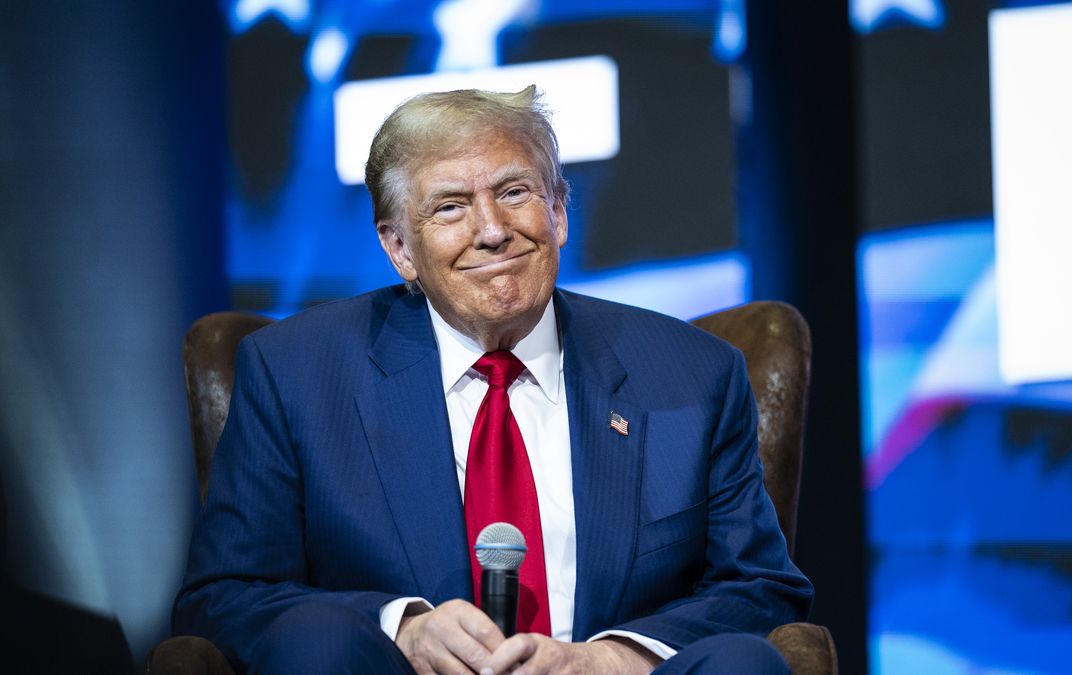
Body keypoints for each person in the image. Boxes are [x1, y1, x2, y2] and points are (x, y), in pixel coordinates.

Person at [173, 86, 812, 674]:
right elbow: (226, 596)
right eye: (450, 206)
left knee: (741, 665)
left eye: (514, 192)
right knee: (315, 640)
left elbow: (760, 588)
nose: (491, 230)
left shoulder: (692, 374)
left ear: (559, 212)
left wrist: (614, 658)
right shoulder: (297, 374)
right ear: (399, 248)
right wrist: (401, 628)